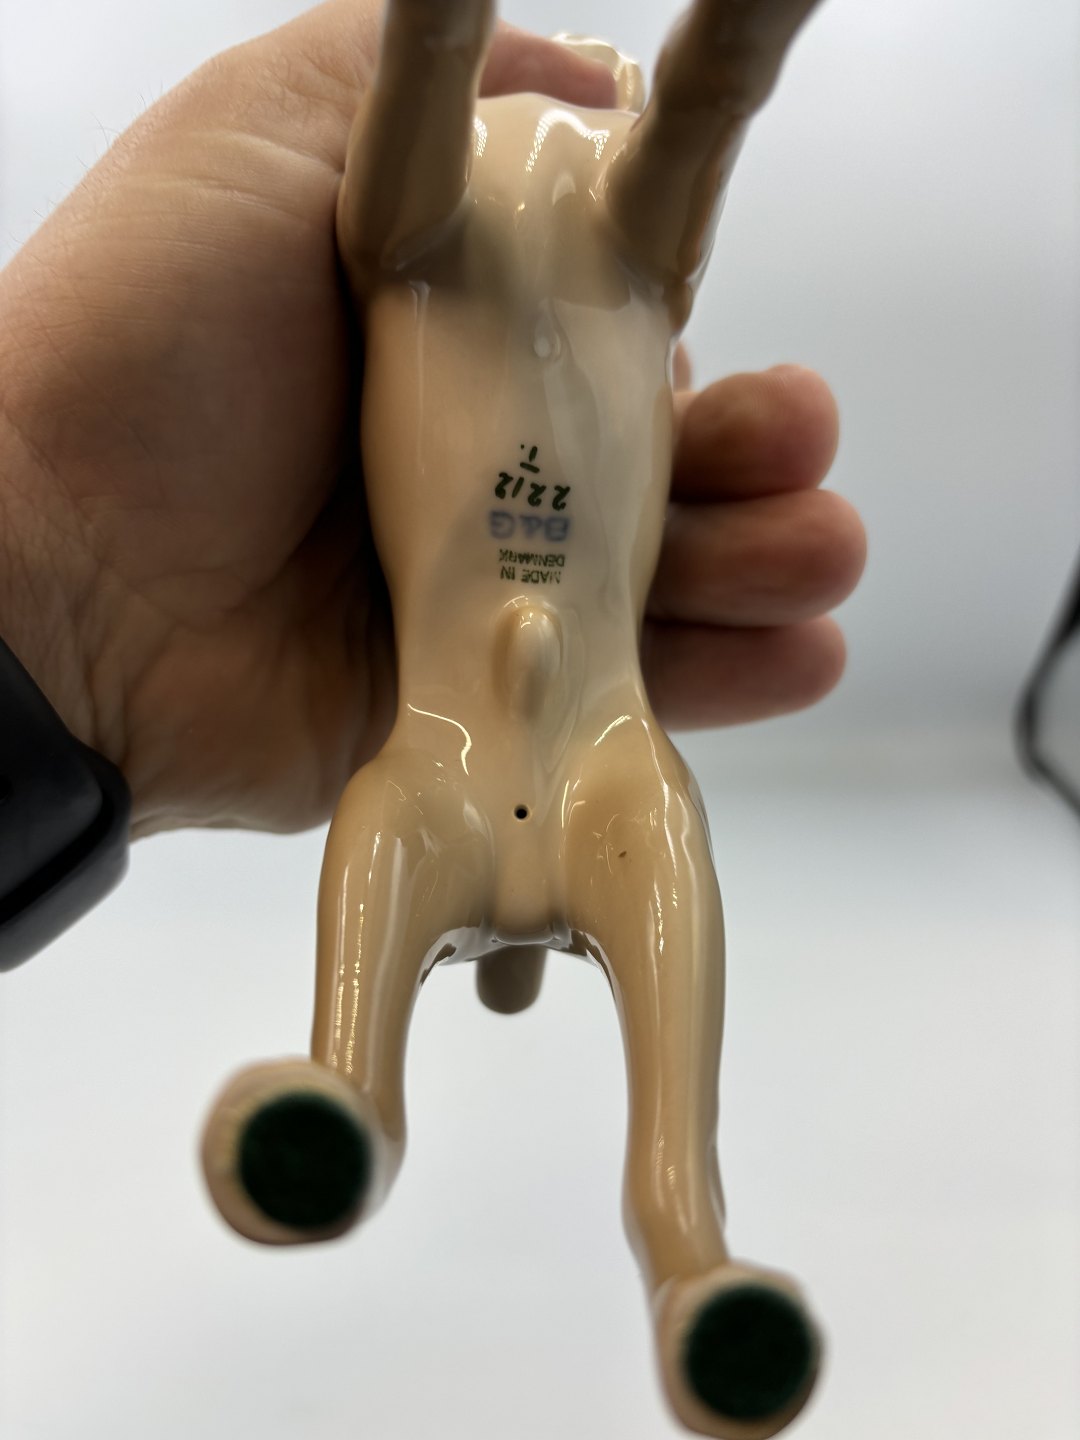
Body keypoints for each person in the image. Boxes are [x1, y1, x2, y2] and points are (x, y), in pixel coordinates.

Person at [0, 0, 865, 844]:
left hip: (554, 723)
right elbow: (687, 114)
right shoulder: (434, 229)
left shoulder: (590, 233)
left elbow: (690, 119)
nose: (556, 111)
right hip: (460, 726)